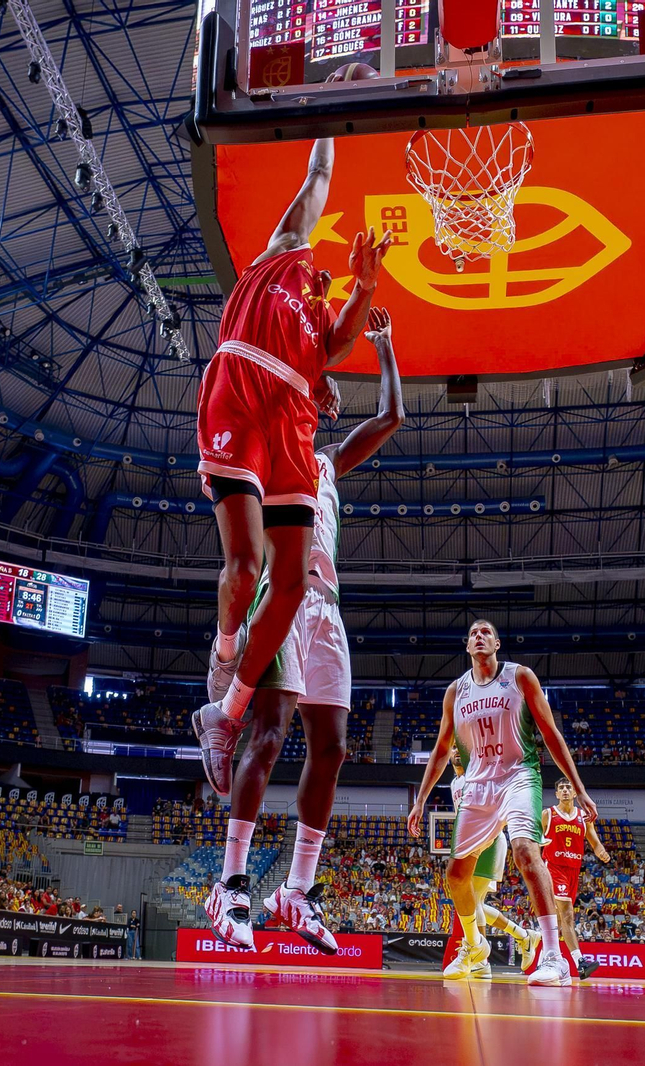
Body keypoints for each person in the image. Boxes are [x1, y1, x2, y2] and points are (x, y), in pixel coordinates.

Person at [191, 133, 394, 798]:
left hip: (292, 420)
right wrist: (332, 117)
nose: (327, 281)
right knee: (245, 566)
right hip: (242, 386)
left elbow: (341, 339)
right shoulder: (284, 251)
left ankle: (224, 716)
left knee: (290, 584)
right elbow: (319, 174)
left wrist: (366, 285)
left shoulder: (319, 333)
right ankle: (224, 654)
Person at [203, 306, 405, 953]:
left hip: (329, 611)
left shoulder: (326, 463)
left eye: (328, 393)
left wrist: (384, 347)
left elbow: (391, 417)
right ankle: (231, 883)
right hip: (281, 596)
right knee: (270, 733)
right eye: (319, 388)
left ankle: (296, 889)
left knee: (334, 747)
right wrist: (306, 364)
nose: (328, 397)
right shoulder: (269, 445)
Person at [406, 620, 597, 986]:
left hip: (518, 775)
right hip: (478, 785)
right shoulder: (456, 691)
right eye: (473, 633)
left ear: (496, 644)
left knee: (525, 850)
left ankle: (554, 957)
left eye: (486, 632)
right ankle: (475, 946)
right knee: (455, 875)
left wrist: (579, 787)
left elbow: (550, 734)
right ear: (467, 646)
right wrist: (421, 800)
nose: (479, 636)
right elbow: (442, 749)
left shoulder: (520, 677)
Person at [439, 749, 538, 978]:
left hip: (488, 840)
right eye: (453, 747)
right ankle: (524, 936)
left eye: (460, 746)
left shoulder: (479, 775)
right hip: (469, 841)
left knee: (472, 901)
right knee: (475, 904)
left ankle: (481, 961)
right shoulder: (455, 783)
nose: (456, 751)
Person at [541, 776, 611, 979]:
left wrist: (601, 851)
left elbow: (594, 841)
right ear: (556, 793)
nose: (565, 790)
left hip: (573, 871)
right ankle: (579, 961)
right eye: (561, 788)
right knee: (567, 914)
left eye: (568, 788)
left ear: (574, 793)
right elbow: (536, 839)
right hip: (554, 868)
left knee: (561, 919)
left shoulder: (583, 816)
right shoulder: (548, 814)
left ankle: (545, 955)